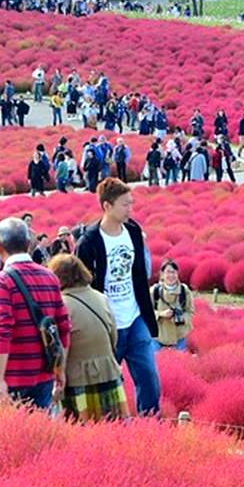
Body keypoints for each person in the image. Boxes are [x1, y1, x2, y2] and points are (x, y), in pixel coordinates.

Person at [74, 178, 161, 416]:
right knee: (110, 386)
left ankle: (150, 427)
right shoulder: (89, 241)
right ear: (107, 206)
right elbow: (79, 285)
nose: (130, 209)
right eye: (125, 205)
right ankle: (115, 430)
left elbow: (140, 274)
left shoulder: (133, 231)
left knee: (149, 379)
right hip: (106, 324)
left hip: (135, 318)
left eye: (131, 204)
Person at [0, 218, 71, 410]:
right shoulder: (49, 276)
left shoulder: (2, 280)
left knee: (2, 436)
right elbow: (63, 327)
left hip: (12, 377)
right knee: (38, 436)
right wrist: (60, 372)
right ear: (28, 244)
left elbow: (2, 330)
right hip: (43, 375)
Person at [48, 253, 129, 421]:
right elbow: (114, 337)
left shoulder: (62, 305)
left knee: (80, 434)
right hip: (108, 372)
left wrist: (57, 381)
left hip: (78, 379)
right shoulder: (101, 298)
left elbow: (62, 348)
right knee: (114, 432)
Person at [152, 260, 194, 351]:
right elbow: (146, 313)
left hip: (180, 337)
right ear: (162, 274)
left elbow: (190, 312)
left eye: (173, 272)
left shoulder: (184, 291)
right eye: (168, 272)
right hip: (158, 337)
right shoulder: (154, 291)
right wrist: (160, 314)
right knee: (156, 363)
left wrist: (181, 318)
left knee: (180, 362)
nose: (171, 275)